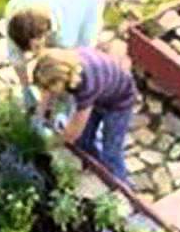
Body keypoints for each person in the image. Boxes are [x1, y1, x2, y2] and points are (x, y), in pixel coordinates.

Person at [3, 0, 107, 118]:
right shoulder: (12, 13)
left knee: (81, 58)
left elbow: (61, 63)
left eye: (37, 46)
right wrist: (26, 88)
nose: (34, 53)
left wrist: (44, 105)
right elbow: (15, 57)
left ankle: (71, 100)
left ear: (45, 34)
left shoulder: (66, 34)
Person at [31, 47, 137, 186]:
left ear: (62, 79)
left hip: (120, 101)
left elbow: (72, 133)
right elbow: (46, 93)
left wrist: (49, 145)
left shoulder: (85, 85)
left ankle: (121, 187)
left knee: (111, 152)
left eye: (51, 87)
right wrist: (38, 116)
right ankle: (95, 165)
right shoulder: (63, 65)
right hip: (100, 93)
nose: (50, 91)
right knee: (84, 141)